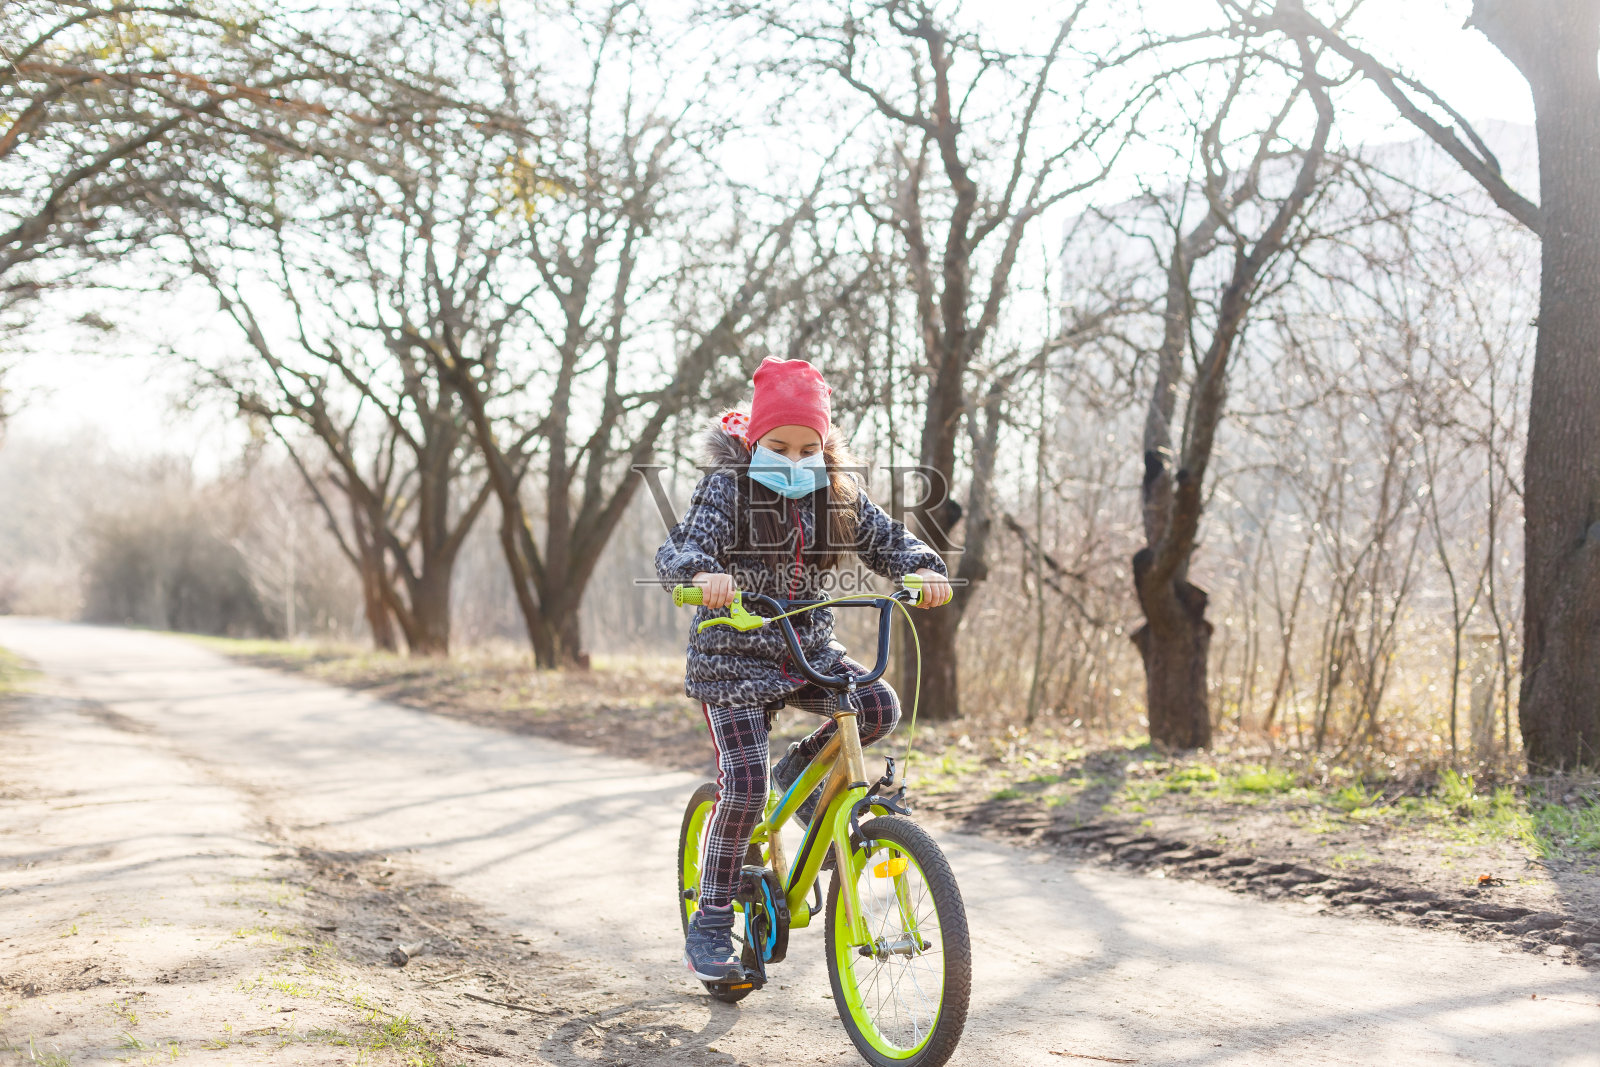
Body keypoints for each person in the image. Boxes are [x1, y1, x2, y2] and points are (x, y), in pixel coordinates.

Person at [655, 356, 952, 983]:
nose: (793, 459)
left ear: (825, 443)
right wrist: (700, 575)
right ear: (756, 439)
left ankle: (796, 770)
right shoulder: (727, 488)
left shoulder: (837, 490)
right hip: (733, 657)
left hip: (805, 650)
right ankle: (709, 926)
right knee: (741, 785)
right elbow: (681, 547)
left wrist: (921, 567)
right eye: (779, 445)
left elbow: (887, 539)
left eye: (807, 446)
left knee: (878, 706)